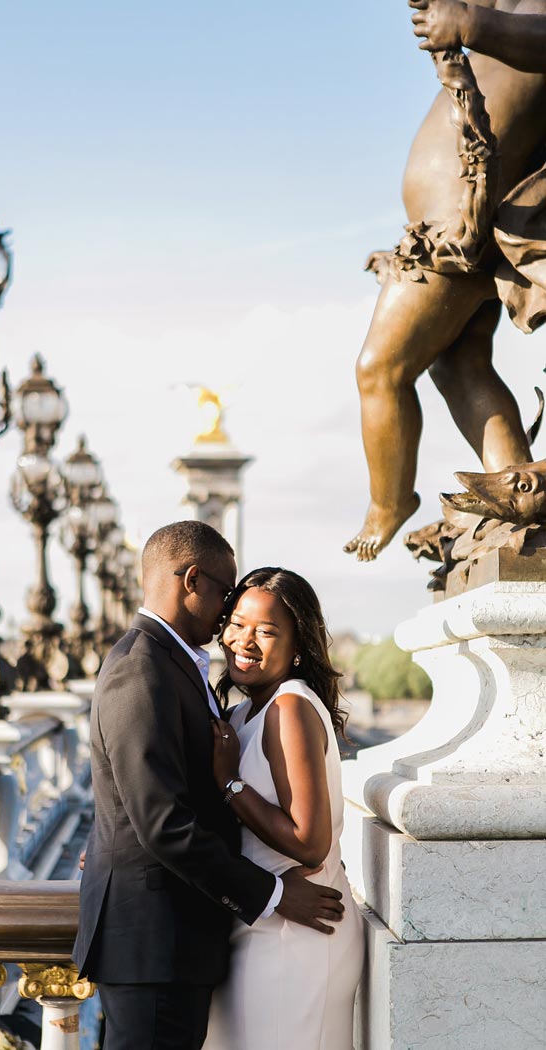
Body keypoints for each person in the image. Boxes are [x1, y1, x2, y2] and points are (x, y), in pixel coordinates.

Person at [73, 521, 345, 1050]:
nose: (227, 617)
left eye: (261, 628)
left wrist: (116, 838)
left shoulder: (174, 665)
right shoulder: (142, 668)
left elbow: (159, 798)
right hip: (155, 943)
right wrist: (271, 895)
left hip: (185, 941)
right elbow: (160, 821)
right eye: (226, 595)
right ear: (192, 581)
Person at [344, 0, 546, 562]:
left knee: (380, 368)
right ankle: (519, 497)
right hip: (451, 220)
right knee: (460, 363)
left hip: (462, 225)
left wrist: (472, 25)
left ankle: (390, 501)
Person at [203, 567, 364, 1050]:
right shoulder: (244, 712)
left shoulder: (289, 708)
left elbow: (310, 843)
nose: (245, 640)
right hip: (264, 925)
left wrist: (230, 784)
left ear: (298, 647)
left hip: (297, 937)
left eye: (267, 631)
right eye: (237, 623)